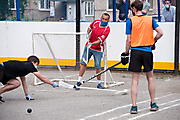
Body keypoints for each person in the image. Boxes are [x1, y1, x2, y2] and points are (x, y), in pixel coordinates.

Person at [121, 0, 163, 114]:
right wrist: (153, 41)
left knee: (135, 80)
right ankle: (153, 103)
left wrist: (126, 53)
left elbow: (129, 40)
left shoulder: (130, 21)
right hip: (147, 51)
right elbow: (160, 33)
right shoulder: (150, 19)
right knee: (150, 77)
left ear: (134, 9)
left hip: (135, 51)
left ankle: (134, 106)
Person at [75, 13, 111, 90]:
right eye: (103, 19)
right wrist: (88, 34)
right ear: (101, 18)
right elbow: (89, 28)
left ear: (108, 20)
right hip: (88, 47)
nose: (104, 20)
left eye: (106, 19)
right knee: (83, 63)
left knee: (98, 67)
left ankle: (99, 83)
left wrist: (91, 43)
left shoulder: (107, 29)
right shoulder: (95, 22)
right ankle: (78, 81)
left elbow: (99, 40)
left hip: (98, 49)